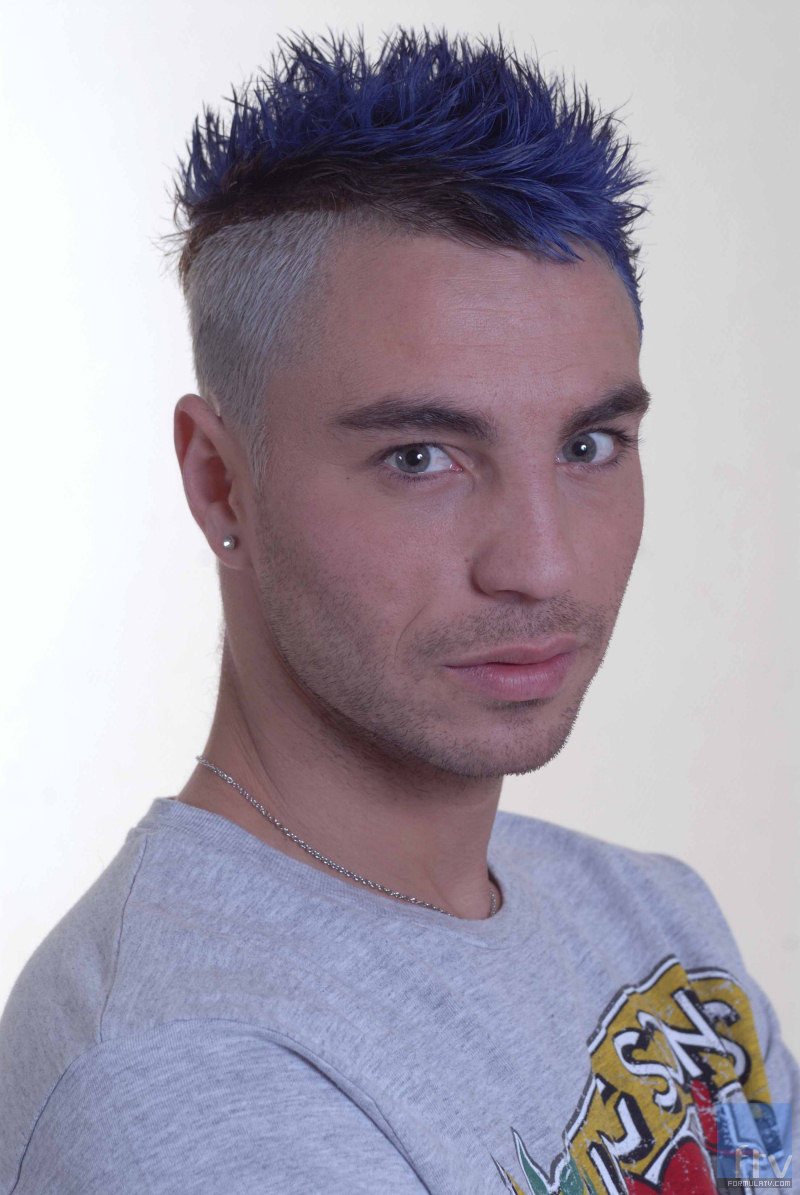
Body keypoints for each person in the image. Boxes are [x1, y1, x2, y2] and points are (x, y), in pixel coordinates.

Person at [0, 26, 796, 1195]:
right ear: (220, 481)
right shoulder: (188, 1079)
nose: (540, 564)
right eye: (420, 456)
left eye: (587, 444)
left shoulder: (648, 913)